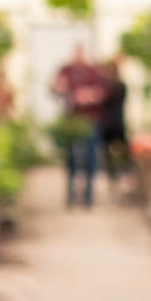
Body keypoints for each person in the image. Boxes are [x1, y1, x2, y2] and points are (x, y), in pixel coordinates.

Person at [50, 44, 108, 207]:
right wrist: (59, 87)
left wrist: (87, 95)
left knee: (90, 156)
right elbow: (55, 88)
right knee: (70, 157)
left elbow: (102, 93)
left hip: (90, 119)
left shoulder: (93, 71)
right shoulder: (66, 70)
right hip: (72, 120)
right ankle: (70, 195)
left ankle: (88, 195)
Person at [96, 53, 132, 194]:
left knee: (107, 153)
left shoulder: (106, 87)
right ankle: (123, 176)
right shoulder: (121, 85)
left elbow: (101, 101)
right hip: (118, 122)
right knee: (123, 152)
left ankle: (112, 177)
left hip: (106, 123)